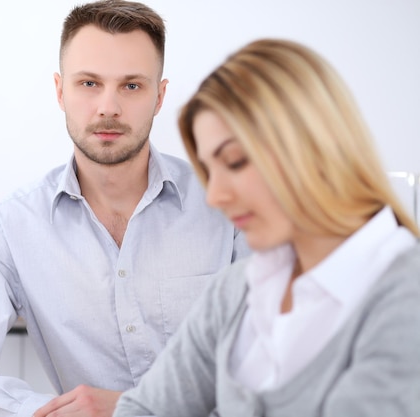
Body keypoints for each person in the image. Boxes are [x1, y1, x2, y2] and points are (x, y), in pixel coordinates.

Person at [0, 1, 249, 416]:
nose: (108, 107)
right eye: (89, 84)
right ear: (60, 91)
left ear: (159, 96)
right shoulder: (11, 226)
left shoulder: (231, 208)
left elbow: (276, 369)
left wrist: (136, 409)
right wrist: (55, 411)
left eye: (131, 86)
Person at [114, 38, 420, 417]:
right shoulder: (237, 290)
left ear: (313, 145)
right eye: (210, 171)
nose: (216, 196)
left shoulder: (406, 298)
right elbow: (144, 409)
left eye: (236, 162)